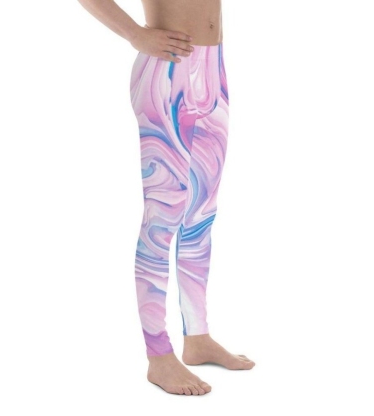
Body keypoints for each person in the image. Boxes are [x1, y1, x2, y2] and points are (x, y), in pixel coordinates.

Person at [77, 0, 255, 395]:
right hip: (168, 74)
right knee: (163, 219)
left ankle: (198, 338)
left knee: (201, 216)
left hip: (214, 69)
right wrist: (134, 34)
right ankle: (158, 356)